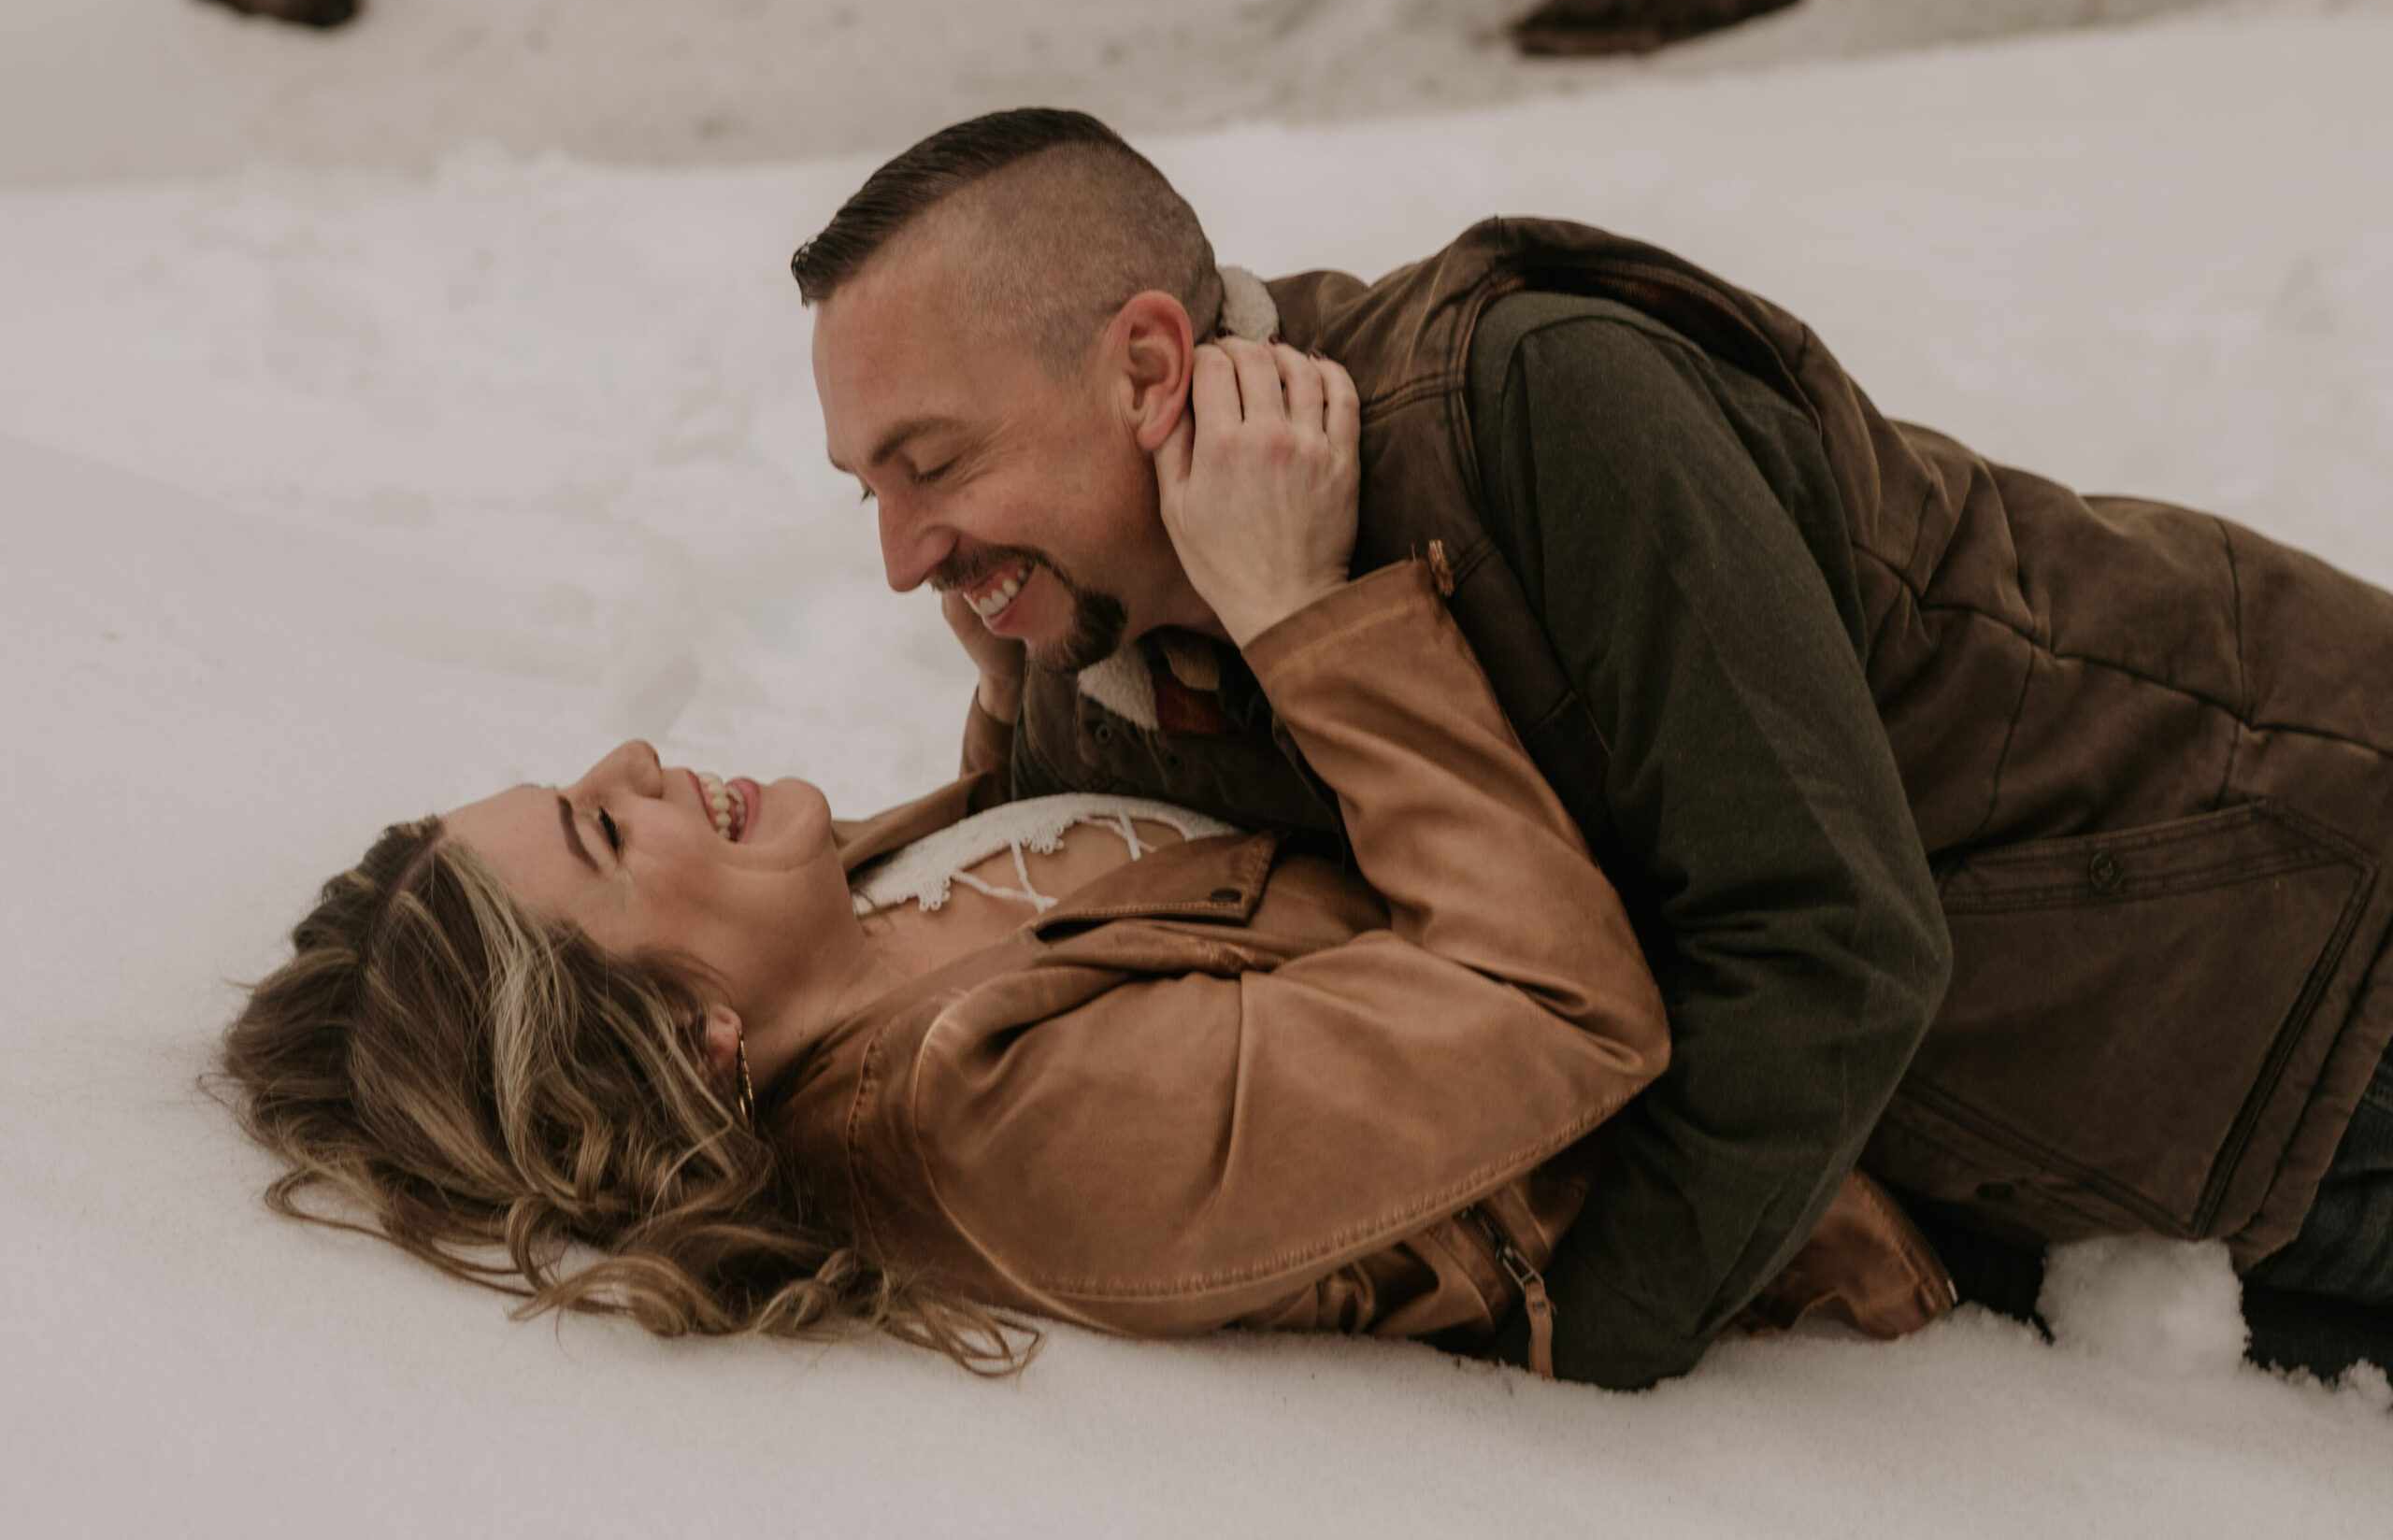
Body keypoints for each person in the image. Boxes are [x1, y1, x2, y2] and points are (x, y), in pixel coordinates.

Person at [796, 107, 2393, 1389]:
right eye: (867, 486)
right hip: (2082, 1164)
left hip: (2302, 933)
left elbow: (1830, 941)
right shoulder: (1111, 661)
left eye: (931, 462)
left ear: (1148, 367)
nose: (898, 554)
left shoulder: (1537, 404)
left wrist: (1587, 1345)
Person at [219, 349, 1951, 1374]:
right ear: (693, 1042)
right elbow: (1558, 1008)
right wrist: (1299, 612)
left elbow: (1062, 861)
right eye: (604, 829)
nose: (638, 762)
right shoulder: (1007, 1134)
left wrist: (1036, 623)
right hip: (1911, 1203)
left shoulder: (836, 936)